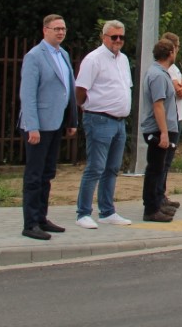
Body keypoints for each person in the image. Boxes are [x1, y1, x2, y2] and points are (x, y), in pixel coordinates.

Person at [18, 14, 78, 240]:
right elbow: (28, 94)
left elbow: (69, 90)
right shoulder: (35, 56)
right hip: (38, 125)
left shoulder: (62, 54)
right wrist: (32, 126)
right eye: (56, 29)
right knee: (34, 175)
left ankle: (42, 217)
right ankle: (30, 222)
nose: (60, 32)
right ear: (45, 30)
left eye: (63, 28)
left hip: (56, 122)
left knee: (47, 173)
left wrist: (72, 120)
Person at [73, 20, 133, 229]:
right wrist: (87, 107)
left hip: (118, 121)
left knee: (113, 167)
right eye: (113, 37)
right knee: (96, 167)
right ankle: (83, 212)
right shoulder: (94, 59)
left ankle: (107, 211)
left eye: (121, 37)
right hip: (99, 118)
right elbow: (81, 89)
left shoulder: (123, 59)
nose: (117, 41)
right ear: (104, 37)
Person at [140, 39, 179, 223]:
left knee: (159, 168)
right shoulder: (157, 75)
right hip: (157, 129)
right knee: (155, 169)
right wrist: (163, 132)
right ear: (170, 53)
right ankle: (151, 208)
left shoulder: (160, 73)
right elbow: (158, 105)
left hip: (163, 127)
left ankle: (157, 203)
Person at [160, 31, 182, 211]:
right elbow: (180, 90)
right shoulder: (166, 69)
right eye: (177, 48)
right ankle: (159, 195)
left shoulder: (175, 68)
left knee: (168, 160)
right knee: (164, 160)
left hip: (178, 116)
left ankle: (162, 193)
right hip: (169, 118)